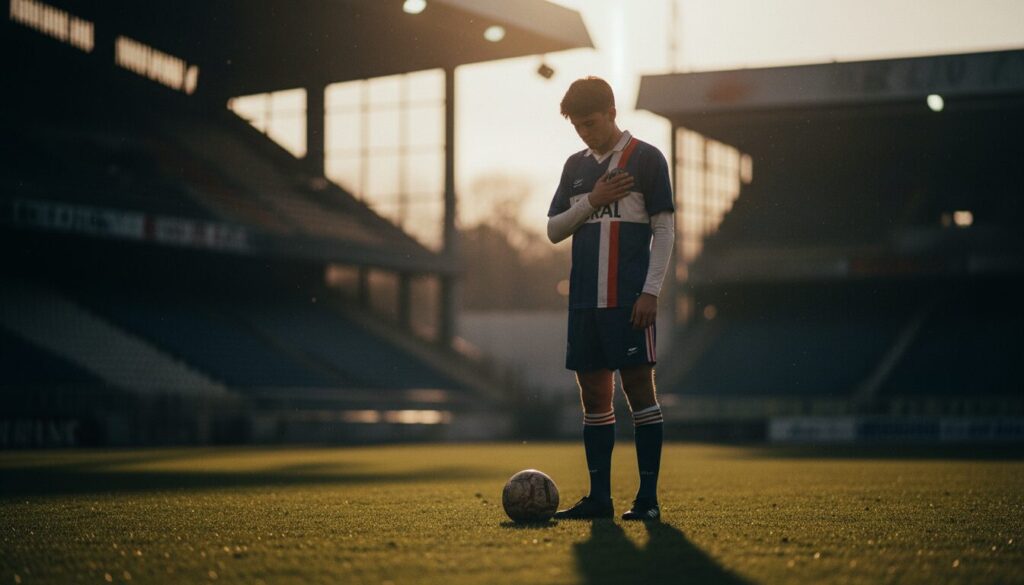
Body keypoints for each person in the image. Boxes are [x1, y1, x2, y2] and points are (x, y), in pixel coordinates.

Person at [546, 76, 675, 521]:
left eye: (591, 122)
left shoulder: (647, 159)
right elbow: (553, 230)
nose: (585, 132)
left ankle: (648, 502)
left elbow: (664, 231)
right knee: (593, 396)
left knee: (639, 390)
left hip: (629, 300)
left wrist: (651, 291)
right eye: (577, 126)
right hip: (584, 302)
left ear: (612, 112)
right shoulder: (575, 166)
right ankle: (599, 500)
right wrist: (593, 201)